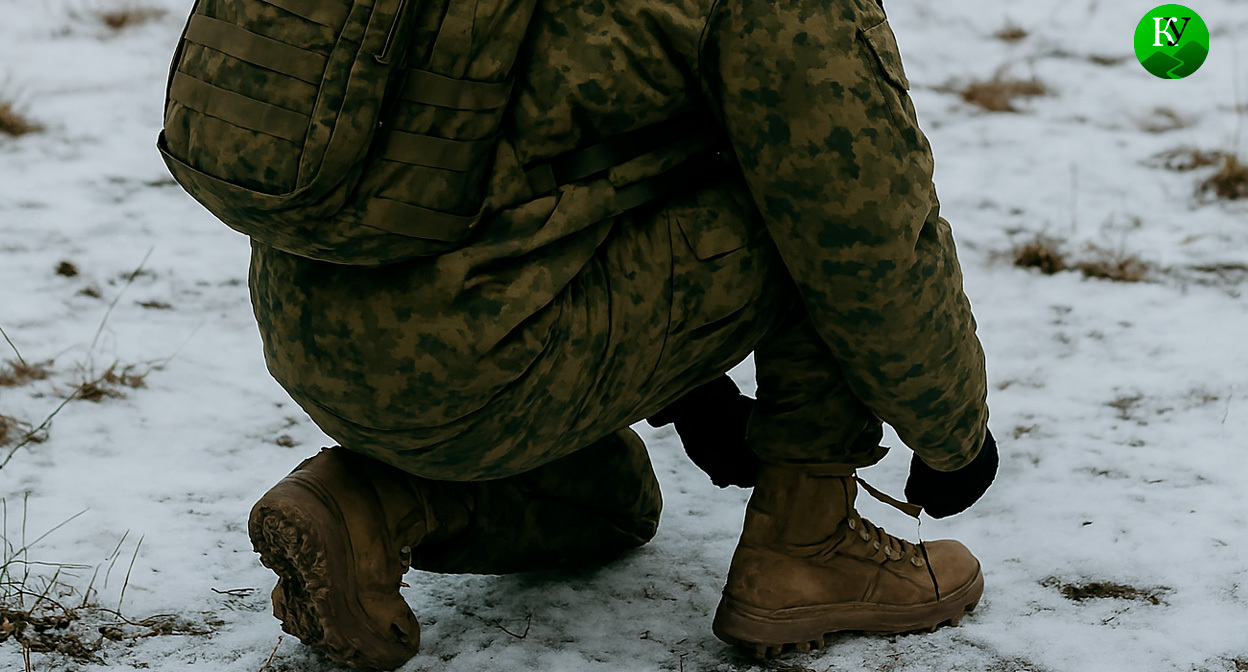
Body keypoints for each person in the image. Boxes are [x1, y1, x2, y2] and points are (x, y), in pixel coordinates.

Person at [243, 0, 998, 668]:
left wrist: (692, 393)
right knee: (812, 190)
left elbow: (545, 144)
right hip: (484, 348)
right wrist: (954, 433)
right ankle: (807, 547)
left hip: (311, 321)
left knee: (615, 502)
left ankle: (377, 502)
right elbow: (868, 233)